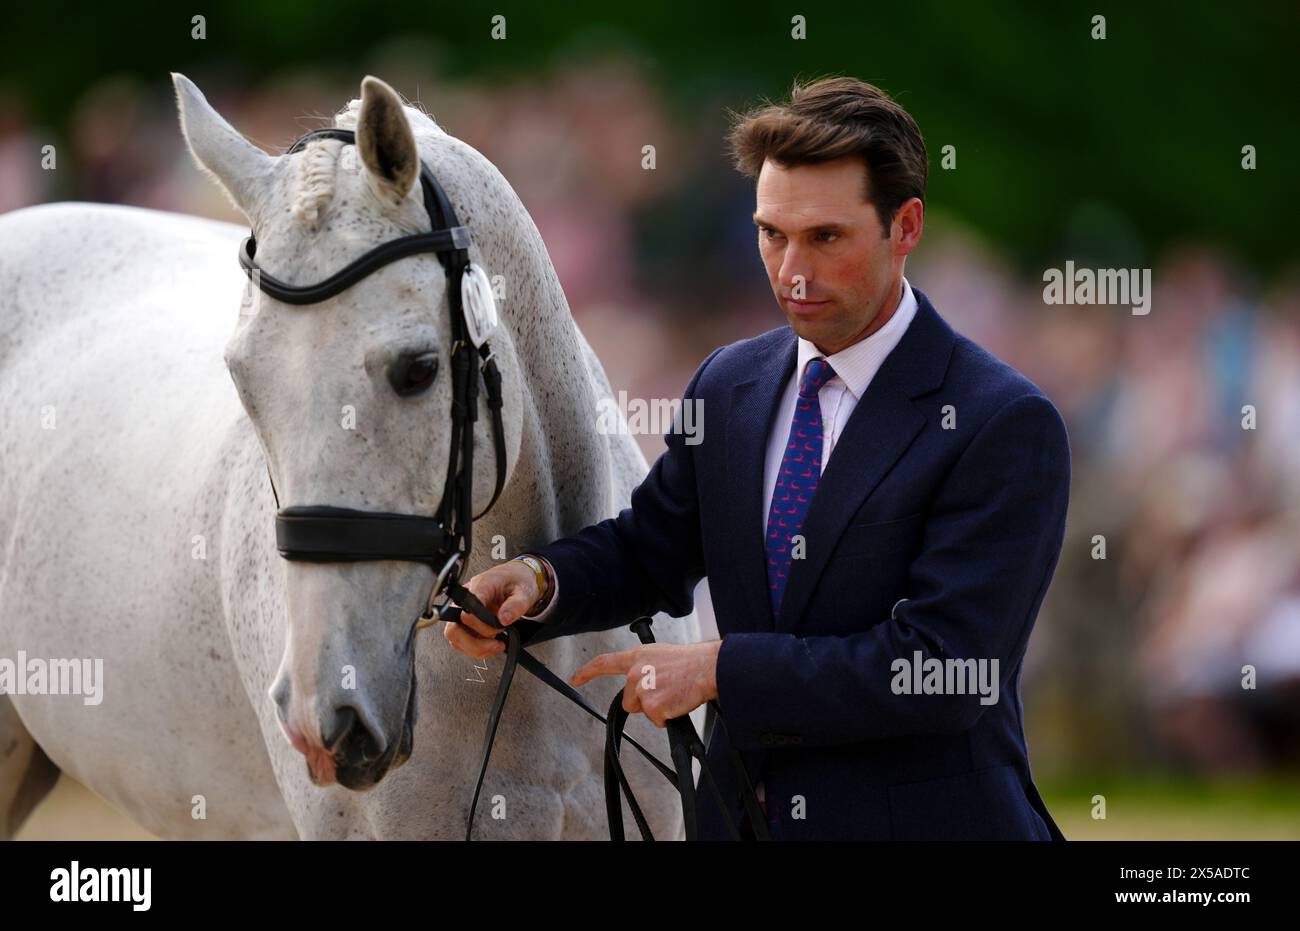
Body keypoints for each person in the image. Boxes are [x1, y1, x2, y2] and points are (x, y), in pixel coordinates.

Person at [445, 76, 1070, 841]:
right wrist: (540, 582)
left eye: (826, 237)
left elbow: (941, 671)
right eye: (772, 233)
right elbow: (652, 549)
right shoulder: (731, 382)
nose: (792, 270)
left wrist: (717, 671)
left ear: (906, 227)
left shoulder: (1001, 421)